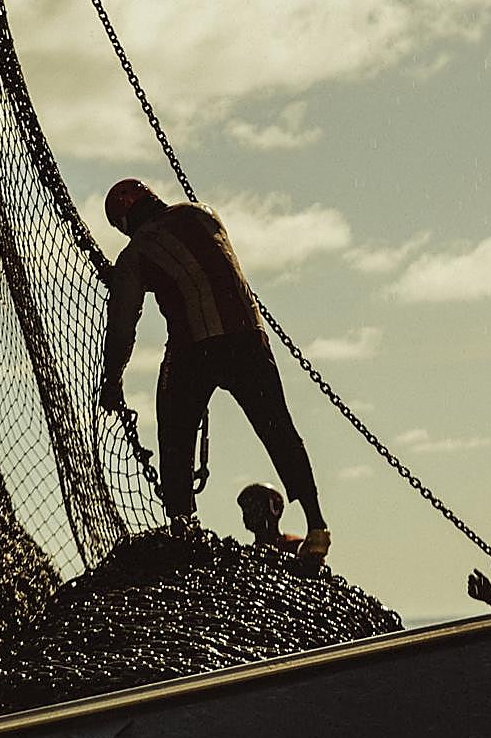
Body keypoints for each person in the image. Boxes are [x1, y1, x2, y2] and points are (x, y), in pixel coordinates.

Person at [99, 178, 329, 560]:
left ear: (123, 223)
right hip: (249, 339)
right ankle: (317, 526)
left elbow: (122, 326)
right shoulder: (204, 215)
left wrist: (113, 380)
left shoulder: (135, 254)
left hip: (194, 349)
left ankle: (183, 525)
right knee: (279, 430)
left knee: (174, 432)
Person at [237, 482, 306, 556]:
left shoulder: (296, 546)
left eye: (256, 508)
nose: (249, 513)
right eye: (246, 509)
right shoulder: (248, 554)